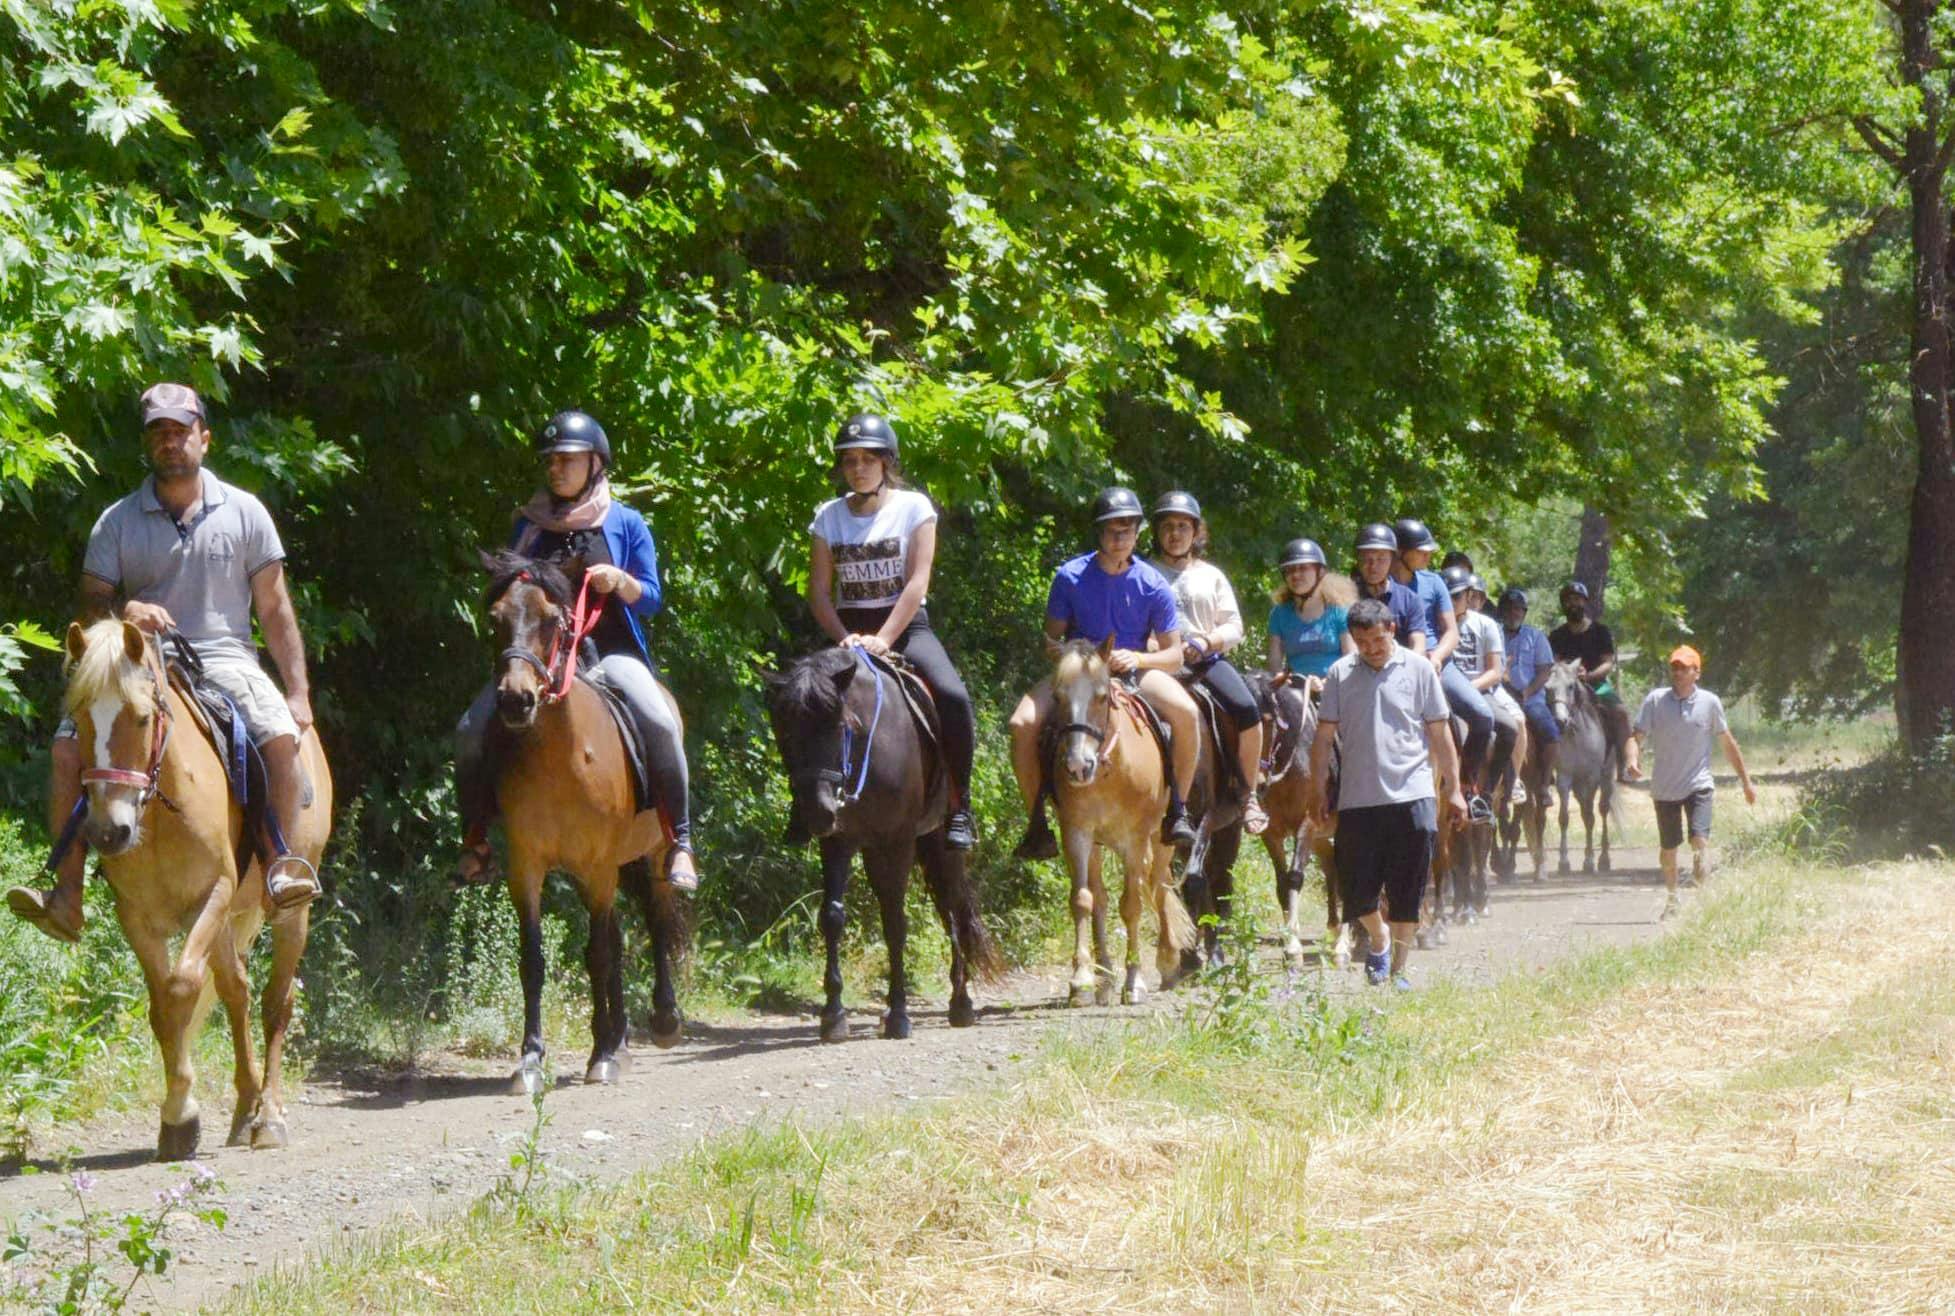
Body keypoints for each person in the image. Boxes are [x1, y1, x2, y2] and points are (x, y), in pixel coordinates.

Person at [7, 383, 321, 943]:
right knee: (63, 746)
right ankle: (67, 895)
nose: (170, 442)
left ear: (204, 437)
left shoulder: (246, 512)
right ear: (148, 444)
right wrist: (126, 609)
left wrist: (297, 691)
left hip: (225, 655)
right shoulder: (117, 522)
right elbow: (91, 608)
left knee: (278, 733)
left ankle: (280, 865)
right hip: (136, 659)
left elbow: (274, 608)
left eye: (180, 431)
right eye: (159, 433)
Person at [452, 409, 698, 891]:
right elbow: (509, 595)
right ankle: (477, 841)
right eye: (550, 461)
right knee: (468, 729)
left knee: (660, 718)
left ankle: (681, 840)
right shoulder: (528, 527)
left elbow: (652, 598)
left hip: (608, 651)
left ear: (595, 463)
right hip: (540, 657)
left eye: (567, 459)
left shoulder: (625, 522)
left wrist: (622, 582)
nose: (556, 469)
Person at [807, 413, 976, 849]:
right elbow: (820, 592)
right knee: (799, 701)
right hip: (848, 631)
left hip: (903, 629)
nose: (858, 468)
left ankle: (960, 805)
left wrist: (883, 638)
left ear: (886, 463)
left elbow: (918, 582)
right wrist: (844, 635)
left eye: (868, 459)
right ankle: (804, 802)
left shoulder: (914, 508)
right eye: (850, 461)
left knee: (953, 696)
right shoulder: (828, 517)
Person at [1009, 487, 1201, 859]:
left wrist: (1139, 659)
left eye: (1127, 529)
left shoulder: (1153, 583)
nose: (1120, 537)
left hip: (1134, 671)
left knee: (1188, 713)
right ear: (1098, 533)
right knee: (1021, 723)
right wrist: (1069, 653)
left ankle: (1178, 808)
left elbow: (1175, 654)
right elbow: (1050, 641)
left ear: (1137, 533)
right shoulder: (1070, 576)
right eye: (1112, 529)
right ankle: (1036, 822)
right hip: (1081, 673)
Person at [1305, 597, 1466, 990]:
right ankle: (1377, 937)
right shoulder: (1340, 674)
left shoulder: (1420, 669)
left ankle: (1398, 969)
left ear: (1391, 630)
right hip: (1358, 797)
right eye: (1363, 642)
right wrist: (1316, 789)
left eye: (1377, 639)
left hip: (1412, 794)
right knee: (1356, 890)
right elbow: (1324, 738)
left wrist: (1456, 789)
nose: (1372, 649)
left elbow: (1440, 733)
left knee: (1408, 887)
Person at [1148, 491, 1267, 834]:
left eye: (1183, 526)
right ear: (1156, 531)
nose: (1175, 533)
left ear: (1196, 531)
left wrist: (1204, 641)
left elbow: (1233, 625)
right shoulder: (1144, 572)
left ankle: (1247, 794)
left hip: (1204, 662)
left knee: (1247, 710)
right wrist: (1154, 645)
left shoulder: (1211, 575)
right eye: (1167, 526)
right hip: (1157, 663)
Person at [1625, 646, 1756, 917]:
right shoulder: (1655, 700)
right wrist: (1631, 760)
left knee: (1699, 841)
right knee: (1669, 849)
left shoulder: (1710, 703)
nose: (1678, 673)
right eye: (1675, 667)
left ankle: (1703, 900)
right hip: (1665, 787)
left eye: (1685, 668)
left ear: (1697, 672)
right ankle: (1672, 900)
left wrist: (1746, 781)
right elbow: (1634, 737)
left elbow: (1727, 743)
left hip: (1699, 783)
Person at [1393, 518, 1494, 822]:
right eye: (1421, 550)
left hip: (1437, 663)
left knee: (1483, 716)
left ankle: (1466, 789)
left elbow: (1451, 631)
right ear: (1400, 551)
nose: (1429, 556)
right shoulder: (1381, 584)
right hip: (1390, 663)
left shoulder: (1434, 582)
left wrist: (1436, 658)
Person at [1448, 567, 1522, 807]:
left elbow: (1495, 671)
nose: (1452, 601)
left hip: (1478, 689)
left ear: (1469, 595)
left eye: (1457, 596)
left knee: (1510, 727)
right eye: (1447, 596)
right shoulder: (1435, 623)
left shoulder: (1485, 624)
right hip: (1440, 690)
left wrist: (1469, 688)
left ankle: (1487, 791)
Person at [1548, 580, 1631, 772]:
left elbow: (1608, 662)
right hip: (1564, 684)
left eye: (1577, 599)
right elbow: (1553, 662)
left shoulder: (1601, 631)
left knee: (1621, 712)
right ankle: (1545, 767)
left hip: (1598, 683)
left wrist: (1589, 675)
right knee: (1542, 712)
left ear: (1584, 602)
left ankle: (1626, 762)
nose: (1573, 604)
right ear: (1563, 605)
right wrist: (1566, 671)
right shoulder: (1557, 635)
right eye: (1568, 600)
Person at [1265, 537, 1356, 679]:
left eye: (1303, 568)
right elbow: (1274, 663)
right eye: (1289, 570)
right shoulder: (1279, 614)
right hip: (1295, 691)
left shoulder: (1340, 611)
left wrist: (1328, 683)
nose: (1295, 575)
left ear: (1320, 572)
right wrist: (1280, 680)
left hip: (1336, 688)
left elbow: (1351, 660)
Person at [1498, 586, 1558, 799]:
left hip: (1530, 698)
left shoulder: (1536, 636)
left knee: (1551, 733)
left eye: (1518, 609)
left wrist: (1526, 692)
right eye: (1509, 608)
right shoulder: (1493, 633)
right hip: (1499, 696)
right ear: (1501, 611)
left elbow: (1544, 670)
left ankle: (1544, 785)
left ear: (1524, 613)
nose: (1513, 613)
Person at [1350, 523, 1426, 652]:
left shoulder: (1409, 600)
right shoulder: (1347, 597)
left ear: (1392, 560)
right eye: (1366, 559)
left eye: (1381, 559)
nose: (1373, 566)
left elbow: (1418, 644)